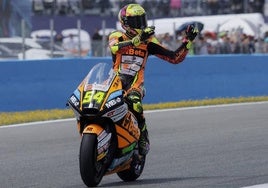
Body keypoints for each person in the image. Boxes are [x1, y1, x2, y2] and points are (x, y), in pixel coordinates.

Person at [108, 3, 198, 156]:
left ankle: (143, 136)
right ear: (125, 23)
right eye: (136, 21)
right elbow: (115, 48)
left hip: (135, 84)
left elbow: (174, 58)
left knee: (135, 103)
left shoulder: (149, 41)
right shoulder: (116, 35)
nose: (141, 24)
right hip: (115, 81)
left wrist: (187, 41)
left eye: (142, 20)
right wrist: (136, 40)